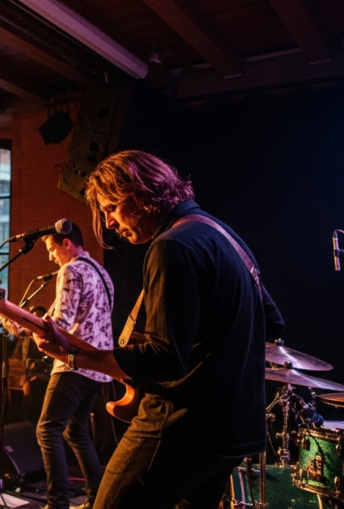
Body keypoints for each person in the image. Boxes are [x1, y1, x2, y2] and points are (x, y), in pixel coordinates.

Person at [34, 150, 285, 508]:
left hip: (179, 427)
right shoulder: (222, 234)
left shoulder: (172, 246)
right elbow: (273, 323)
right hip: (234, 430)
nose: (108, 224)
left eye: (110, 208)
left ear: (139, 195)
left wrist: (72, 354)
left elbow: (165, 357)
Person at [6, 223, 113, 509]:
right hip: (99, 367)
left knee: (47, 430)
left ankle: (57, 504)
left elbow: (61, 326)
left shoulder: (71, 270)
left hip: (73, 364)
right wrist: (24, 327)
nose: (51, 257)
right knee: (75, 430)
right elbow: (58, 321)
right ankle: (98, 499)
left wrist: (19, 322)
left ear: (67, 243)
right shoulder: (101, 272)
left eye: (52, 249)